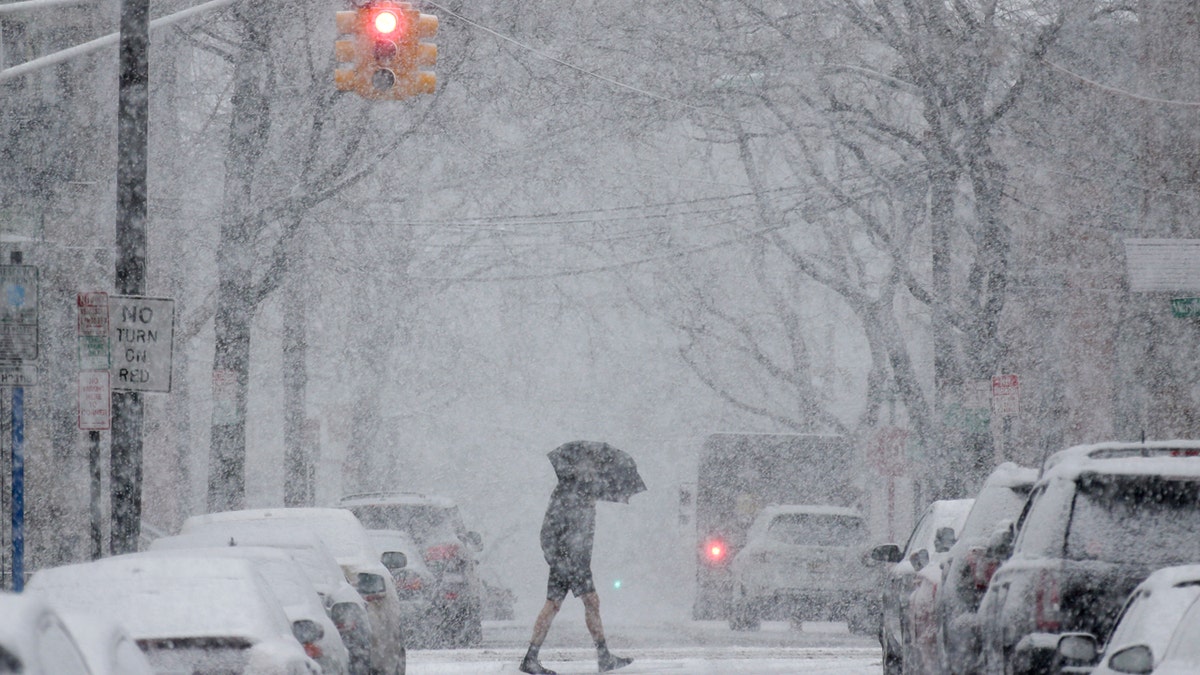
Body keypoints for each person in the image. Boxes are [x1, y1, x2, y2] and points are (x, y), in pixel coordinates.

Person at [519, 475, 633, 674]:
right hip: (571, 561)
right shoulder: (568, 493)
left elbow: (570, 532)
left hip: (571, 560)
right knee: (588, 601)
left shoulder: (581, 492)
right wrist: (558, 559)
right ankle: (603, 656)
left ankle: (531, 657)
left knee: (557, 604)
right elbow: (550, 531)